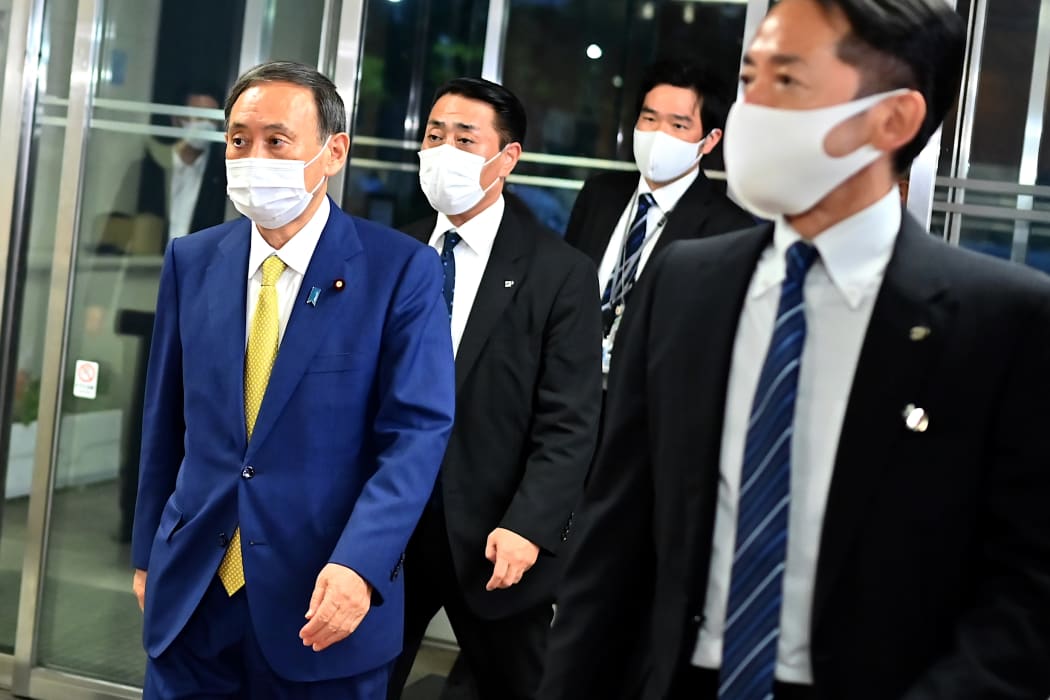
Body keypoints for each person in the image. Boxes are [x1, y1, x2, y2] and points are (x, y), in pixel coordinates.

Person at [540, 1, 1050, 699]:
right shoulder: (684, 287)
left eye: (788, 82)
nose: (752, 109)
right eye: (750, 78)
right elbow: (613, 542)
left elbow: (1025, 594)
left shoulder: (1000, 322)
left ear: (893, 119)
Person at [131, 61, 456, 699]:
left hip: (324, 602)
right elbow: (165, 420)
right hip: (193, 593)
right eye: (239, 140)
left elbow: (416, 433)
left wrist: (361, 564)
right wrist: (148, 552)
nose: (253, 157)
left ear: (333, 152)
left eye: (277, 141)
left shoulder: (400, 272)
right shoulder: (192, 260)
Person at [387, 78, 602, 700]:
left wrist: (530, 525)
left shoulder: (558, 273)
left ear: (506, 158)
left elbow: (570, 420)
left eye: (464, 138)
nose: (442, 150)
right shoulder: (395, 251)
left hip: (495, 536)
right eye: (433, 135)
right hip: (390, 531)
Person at [563, 59, 752, 376]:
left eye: (678, 125)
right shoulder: (599, 194)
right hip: (570, 385)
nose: (658, 134)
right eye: (649, 118)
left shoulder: (729, 229)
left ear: (711, 140)